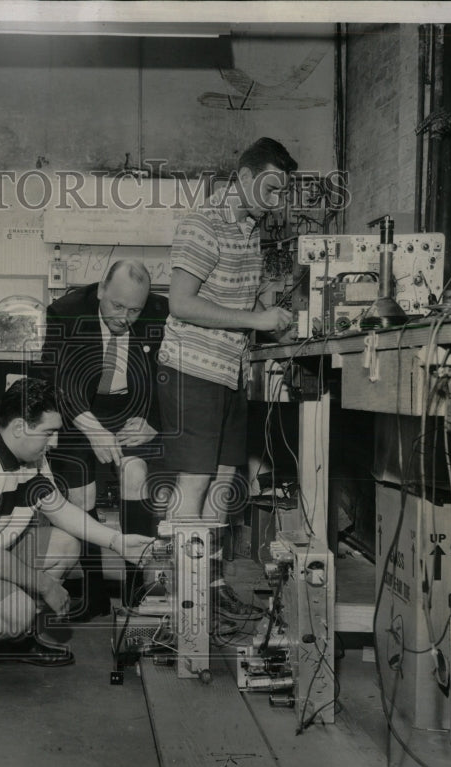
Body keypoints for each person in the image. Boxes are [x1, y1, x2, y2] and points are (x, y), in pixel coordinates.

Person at [0, 377, 154, 683]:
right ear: (20, 427)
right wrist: (45, 586)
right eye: (48, 433)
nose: (53, 442)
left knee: (65, 545)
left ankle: (15, 639)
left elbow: (59, 509)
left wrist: (117, 541)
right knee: (18, 612)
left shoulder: (30, 457)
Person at [156, 137, 296, 617]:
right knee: (193, 487)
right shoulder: (201, 224)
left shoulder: (250, 230)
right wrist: (257, 321)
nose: (276, 201)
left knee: (222, 484)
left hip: (229, 371)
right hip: (191, 368)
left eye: (282, 192)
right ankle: (183, 605)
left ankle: (207, 593)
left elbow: (243, 301)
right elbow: (181, 302)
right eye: (271, 188)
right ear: (242, 178)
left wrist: (271, 309)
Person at [40, 259, 168, 615]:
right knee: (82, 494)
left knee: (135, 476)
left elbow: (171, 374)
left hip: (133, 408)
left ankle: (135, 590)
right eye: (117, 306)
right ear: (100, 291)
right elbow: (57, 377)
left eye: (134, 310)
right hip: (82, 408)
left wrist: (153, 421)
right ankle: (94, 594)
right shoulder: (64, 312)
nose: (124, 317)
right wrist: (91, 427)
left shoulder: (162, 313)